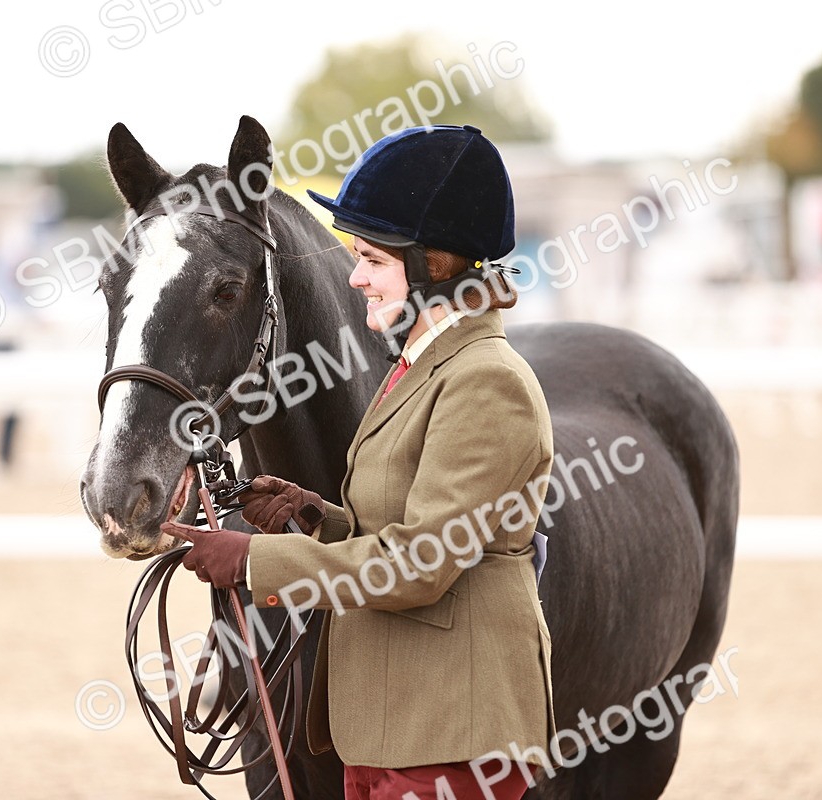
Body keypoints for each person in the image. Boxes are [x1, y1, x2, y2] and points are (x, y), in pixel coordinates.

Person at [161, 124, 558, 800]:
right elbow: (405, 525)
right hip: (390, 724)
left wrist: (255, 561)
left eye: (372, 260)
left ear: (433, 265)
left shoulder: (486, 380)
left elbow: (424, 564)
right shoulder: (420, 367)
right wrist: (320, 517)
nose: (355, 278)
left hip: (451, 731)